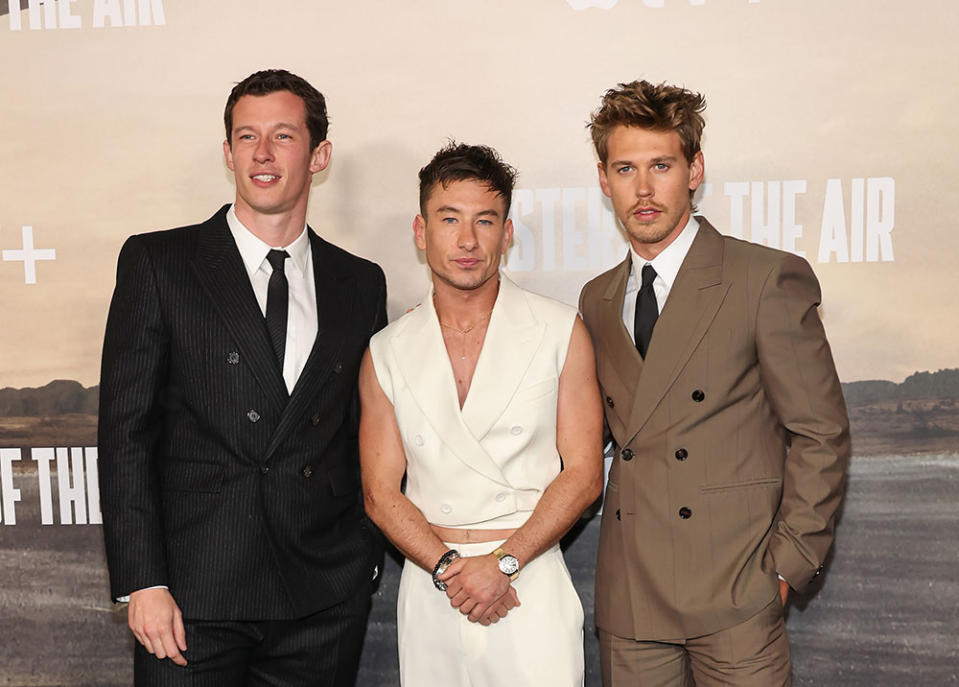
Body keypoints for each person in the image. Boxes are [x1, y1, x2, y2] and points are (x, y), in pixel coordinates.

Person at [97, 69, 386, 686]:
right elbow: (126, 433)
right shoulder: (159, 263)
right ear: (227, 153)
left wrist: (358, 569)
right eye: (246, 136)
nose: (262, 153)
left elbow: (363, 434)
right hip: (192, 597)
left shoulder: (360, 282)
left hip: (321, 599)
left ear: (319, 154)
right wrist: (143, 581)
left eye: (283, 135)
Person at [579, 80, 851, 686]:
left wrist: (785, 568)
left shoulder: (763, 278)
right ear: (604, 180)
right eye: (625, 168)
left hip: (735, 596)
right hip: (632, 602)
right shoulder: (596, 299)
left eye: (661, 166)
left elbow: (820, 433)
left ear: (695, 169)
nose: (643, 189)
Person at [358, 142, 603, 686]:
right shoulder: (387, 350)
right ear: (421, 233)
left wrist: (504, 564)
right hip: (431, 586)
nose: (467, 241)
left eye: (485, 221)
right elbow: (380, 492)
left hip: (529, 582)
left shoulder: (560, 330)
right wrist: (450, 572)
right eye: (449, 219)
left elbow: (584, 475)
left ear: (507, 233)